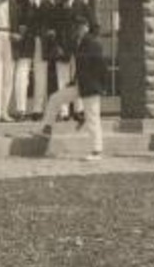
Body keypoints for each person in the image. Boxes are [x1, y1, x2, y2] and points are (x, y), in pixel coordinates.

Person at [38, 17, 108, 160]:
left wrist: (101, 86)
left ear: (87, 27)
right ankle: (47, 128)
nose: (78, 29)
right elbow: (80, 66)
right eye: (77, 27)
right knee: (55, 98)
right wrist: (74, 80)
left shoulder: (93, 43)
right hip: (80, 85)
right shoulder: (80, 43)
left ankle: (97, 151)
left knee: (92, 118)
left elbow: (101, 67)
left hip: (91, 87)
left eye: (81, 26)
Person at [15, 0, 49, 119]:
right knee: (21, 74)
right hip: (26, 42)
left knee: (40, 76)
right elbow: (16, 21)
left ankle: (37, 110)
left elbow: (51, 22)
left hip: (41, 42)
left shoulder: (47, 5)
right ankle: (21, 110)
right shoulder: (22, 4)